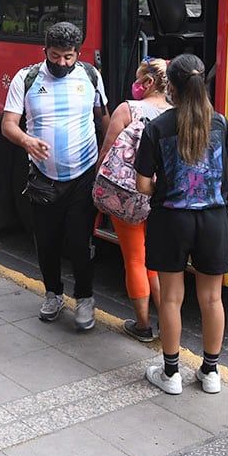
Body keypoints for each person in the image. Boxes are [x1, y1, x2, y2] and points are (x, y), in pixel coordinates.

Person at [135, 53, 228, 396]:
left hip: (171, 219)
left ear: (173, 88)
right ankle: (210, 373)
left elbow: (141, 184)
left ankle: (171, 374)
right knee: (212, 299)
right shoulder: (221, 124)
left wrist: (166, 188)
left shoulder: (158, 127)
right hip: (212, 220)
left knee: (171, 299)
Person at [1, 21, 109, 330]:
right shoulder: (27, 78)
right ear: (44, 50)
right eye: (56, 55)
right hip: (43, 178)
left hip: (83, 174)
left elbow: (103, 119)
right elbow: (9, 124)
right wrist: (26, 141)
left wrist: (110, 156)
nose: (62, 63)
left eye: (69, 57)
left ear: (78, 53)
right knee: (46, 241)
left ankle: (85, 298)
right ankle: (53, 293)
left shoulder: (91, 76)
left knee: (79, 241)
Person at [97, 57, 171, 341]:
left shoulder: (128, 109)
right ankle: (168, 323)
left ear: (149, 83)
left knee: (135, 260)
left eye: (140, 79)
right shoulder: (176, 112)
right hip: (162, 197)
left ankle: (142, 325)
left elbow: (107, 151)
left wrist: (98, 185)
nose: (136, 85)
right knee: (156, 262)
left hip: (127, 196)